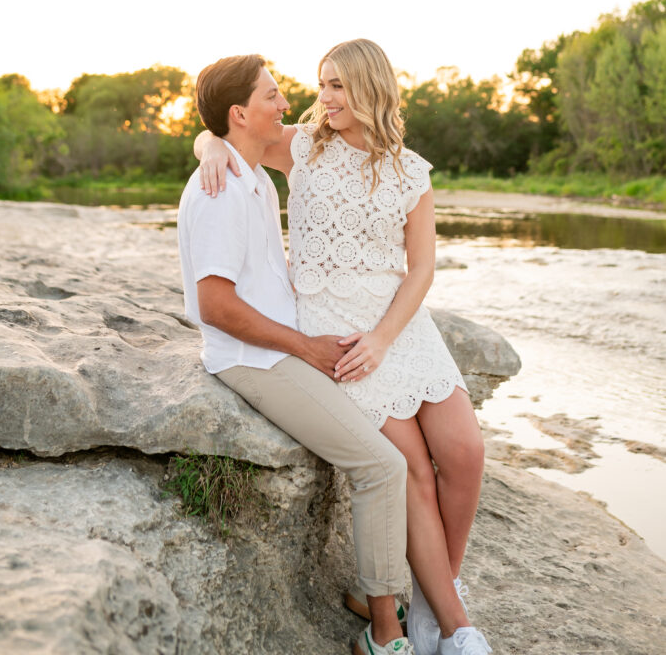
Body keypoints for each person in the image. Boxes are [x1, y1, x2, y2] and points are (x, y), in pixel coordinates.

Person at [197, 40, 491, 655]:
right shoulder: (303, 148)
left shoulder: (412, 170)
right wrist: (206, 148)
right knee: (409, 466)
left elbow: (421, 270)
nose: (322, 98)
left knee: (463, 452)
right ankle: (455, 626)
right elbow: (226, 130)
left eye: (336, 86)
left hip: (396, 325)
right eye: (321, 84)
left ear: (370, 89)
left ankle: (435, 601)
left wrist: (386, 337)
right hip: (335, 326)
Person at [178, 53, 413, 655]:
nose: (287, 107)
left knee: (404, 443)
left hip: (280, 348)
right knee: (382, 466)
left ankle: (373, 593)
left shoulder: (250, 175)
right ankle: (382, 634)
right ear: (241, 113)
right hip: (253, 360)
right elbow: (215, 306)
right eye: (272, 96)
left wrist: (211, 142)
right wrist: (304, 347)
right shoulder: (223, 189)